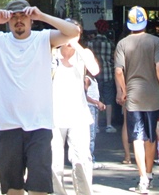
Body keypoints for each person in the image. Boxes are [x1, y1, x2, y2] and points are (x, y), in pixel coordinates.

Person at [0, 0, 79, 195]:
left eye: (23, 16)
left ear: (31, 19)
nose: (19, 21)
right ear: (8, 21)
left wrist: (41, 16)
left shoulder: (44, 38)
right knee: (13, 190)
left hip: (39, 125)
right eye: (14, 17)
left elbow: (73, 32)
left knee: (39, 189)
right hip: (7, 126)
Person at [115, 5, 159, 194]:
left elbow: (119, 70)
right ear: (146, 22)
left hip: (134, 95)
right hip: (152, 94)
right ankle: (150, 173)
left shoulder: (122, 44)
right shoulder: (155, 41)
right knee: (151, 136)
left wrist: (123, 89)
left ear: (129, 24)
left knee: (136, 137)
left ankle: (142, 178)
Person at [50, 19, 98, 195]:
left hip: (78, 114)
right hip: (54, 115)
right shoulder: (52, 54)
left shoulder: (83, 54)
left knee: (81, 159)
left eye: (75, 33)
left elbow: (94, 69)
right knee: (54, 162)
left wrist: (76, 45)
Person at [88, 21, 116, 133]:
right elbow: (113, 58)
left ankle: (97, 125)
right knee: (108, 100)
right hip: (108, 74)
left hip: (94, 75)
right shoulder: (110, 43)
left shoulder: (90, 43)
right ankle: (109, 125)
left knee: (96, 99)